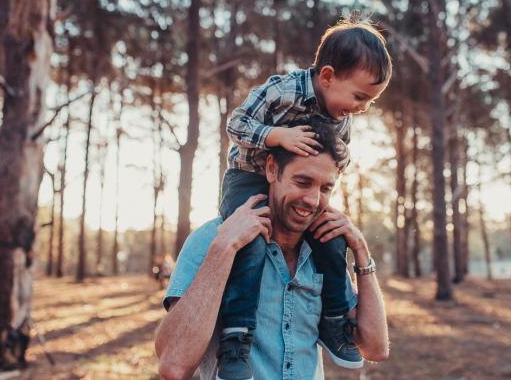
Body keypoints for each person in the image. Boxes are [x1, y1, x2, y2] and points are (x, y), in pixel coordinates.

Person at [217, 17, 392, 378]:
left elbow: (338, 160)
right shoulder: (283, 91)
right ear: (327, 76)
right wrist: (276, 136)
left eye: (369, 102)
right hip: (248, 178)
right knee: (249, 241)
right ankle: (237, 336)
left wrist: (324, 197)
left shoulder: (341, 116)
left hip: (300, 186)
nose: (360, 108)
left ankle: (332, 320)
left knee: (330, 236)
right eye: (359, 97)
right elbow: (236, 124)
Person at [154, 120, 389, 380]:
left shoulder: (323, 249)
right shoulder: (214, 238)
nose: (312, 200)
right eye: (302, 181)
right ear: (271, 169)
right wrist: (225, 248)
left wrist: (361, 250)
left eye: (325, 188)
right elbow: (173, 366)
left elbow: (374, 348)